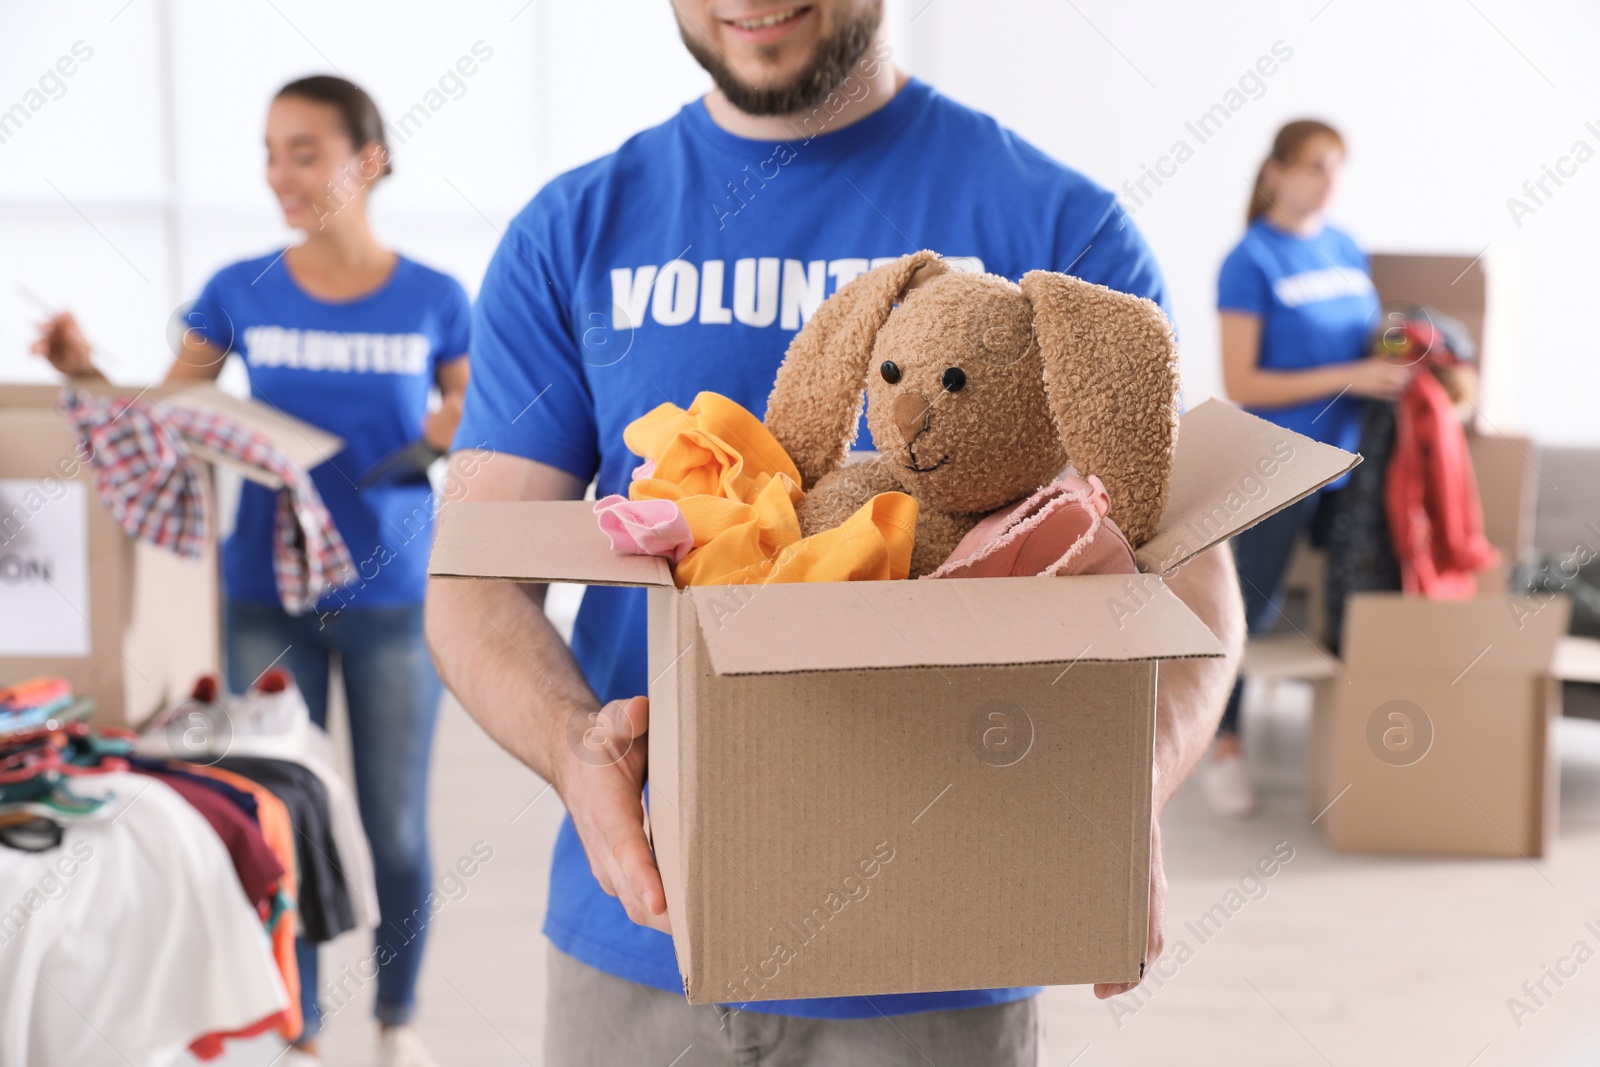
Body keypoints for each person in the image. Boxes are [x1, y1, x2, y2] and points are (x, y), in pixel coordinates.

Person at [425, 3, 1243, 1063]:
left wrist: (1126, 785)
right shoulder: (575, 228)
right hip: (645, 930)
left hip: (940, 939)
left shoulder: (1056, 227)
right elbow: (475, 576)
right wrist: (575, 750)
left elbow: (1192, 573)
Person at [33, 75, 467, 1067]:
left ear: (370, 159)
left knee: (394, 827)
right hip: (262, 596)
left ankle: (396, 1018)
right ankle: (298, 1031)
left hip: (395, 596)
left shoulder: (438, 297)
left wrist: (444, 435)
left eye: (305, 151)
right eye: (271, 151)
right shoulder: (238, 287)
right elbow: (160, 427)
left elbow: (480, 420)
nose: (280, 173)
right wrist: (85, 373)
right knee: (274, 814)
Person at [1204, 119, 1406, 817]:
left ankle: (1346, 746)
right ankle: (1221, 743)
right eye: (1316, 165)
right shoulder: (1250, 261)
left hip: (1351, 463)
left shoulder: (1346, 246)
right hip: (1279, 464)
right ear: (1276, 174)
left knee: (1351, 604)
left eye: (1337, 166)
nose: (1329, 179)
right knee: (1247, 611)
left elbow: (1365, 333)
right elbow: (1244, 382)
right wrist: (1353, 372)